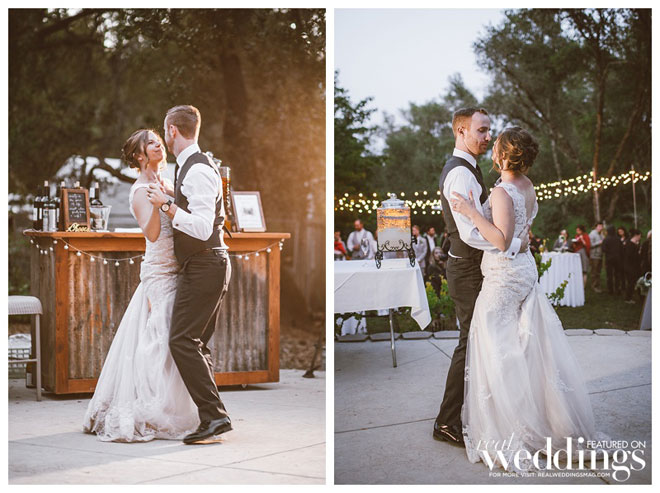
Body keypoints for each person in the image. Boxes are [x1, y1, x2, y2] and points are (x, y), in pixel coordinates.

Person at [450, 126, 601, 472]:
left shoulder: (502, 192)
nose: (492, 149)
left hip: (504, 278)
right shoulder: (527, 185)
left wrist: (471, 212)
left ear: (505, 154)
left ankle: (512, 425)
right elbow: (522, 234)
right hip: (523, 271)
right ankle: (538, 415)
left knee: (498, 349)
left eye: (496, 146)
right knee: (525, 348)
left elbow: (501, 240)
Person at [83, 129, 199, 442]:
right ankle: (152, 406)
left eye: (158, 140)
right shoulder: (140, 190)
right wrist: (159, 202)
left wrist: (168, 197)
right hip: (159, 270)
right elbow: (151, 233)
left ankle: (172, 406)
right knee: (161, 338)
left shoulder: (168, 181)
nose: (158, 144)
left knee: (174, 338)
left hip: (178, 268)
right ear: (139, 155)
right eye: (150, 143)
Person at [432, 108, 526, 446]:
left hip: (478, 266)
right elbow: (470, 233)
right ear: (461, 131)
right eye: (482, 130)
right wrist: (510, 244)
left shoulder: (470, 168)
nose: (488, 137)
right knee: (470, 340)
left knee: (480, 339)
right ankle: (446, 422)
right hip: (468, 268)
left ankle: (478, 412)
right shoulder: (459, 174)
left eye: (489, 131)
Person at [146, 105, 233, 444]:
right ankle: (213, 416)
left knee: (181, 340)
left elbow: (200, 227)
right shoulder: (191, 166)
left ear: (172, 130)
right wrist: (172, 196)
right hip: (207, 264)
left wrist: (166, 205)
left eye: (164, 131)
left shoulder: (197, 169)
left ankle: (215, 417)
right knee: (196, 343)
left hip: (206, 265)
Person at [602, 225, 623, 295]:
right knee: (617, 274)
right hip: (617, 259)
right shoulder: (618, 239)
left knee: (609, 275)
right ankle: (617, 289)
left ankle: (610, 290)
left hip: (609, 259)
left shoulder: (606, 239)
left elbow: (603, 249)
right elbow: (621, 249)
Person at [623, 229, 642, 303]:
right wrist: (639, 253)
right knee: (631, 282)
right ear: (636, 235)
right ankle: (628, 298)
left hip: (630, 266)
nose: (640, 237)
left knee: (632, 282)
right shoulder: (630, 245)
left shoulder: (631, 243)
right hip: (630, 267)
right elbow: (631, 256)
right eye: (639, 236)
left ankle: (629, 296)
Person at [589, 222, 604, 292]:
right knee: (594, 272)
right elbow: (590, 245)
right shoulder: (592, 234)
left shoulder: (601, 234)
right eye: (599, 226)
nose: (601, 228)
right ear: (596, 227)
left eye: (602, 226)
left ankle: (598, 285)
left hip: (600, 255)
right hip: (594, 256)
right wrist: (599, 243)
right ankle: (594, 286)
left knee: (598, 272)